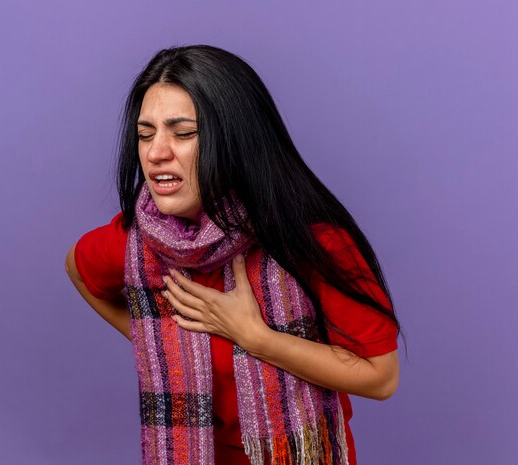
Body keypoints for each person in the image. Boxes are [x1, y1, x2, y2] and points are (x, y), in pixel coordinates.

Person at [65, 44, 402, 465]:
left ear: (236, 138)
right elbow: (78, 269)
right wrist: (159, 339)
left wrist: (255, 338)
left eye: (183, 133)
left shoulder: (314, 239)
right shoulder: (138, 241)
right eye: (145, 134)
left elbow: (381, 376)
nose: (155, 153)